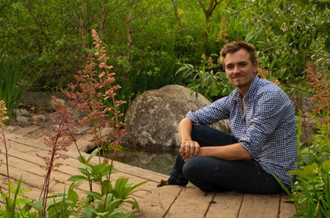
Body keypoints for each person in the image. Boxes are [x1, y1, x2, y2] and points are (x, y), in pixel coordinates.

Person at [160, 41, 297, 194]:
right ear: (225, 70)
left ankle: (220, 183)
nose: (236, 71)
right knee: (194, 132)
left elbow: (247, 150)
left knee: (193, 166)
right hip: (252, 160)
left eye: (242, 65)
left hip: (272, 175)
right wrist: (187, 143)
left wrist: (199, 152)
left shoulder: (269, 97)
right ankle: (175, 183)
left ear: (255, 66)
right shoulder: (236, 97)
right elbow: (189, 119)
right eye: (230, 67)